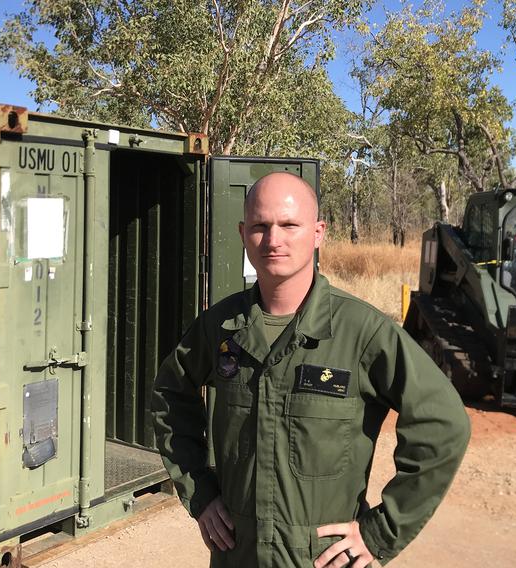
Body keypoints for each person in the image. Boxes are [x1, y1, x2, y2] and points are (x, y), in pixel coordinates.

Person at [152, 172, 470, 567]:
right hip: (238, 556)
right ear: (242, 232)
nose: (273, 240)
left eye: (289, 225)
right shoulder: (220, 326)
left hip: (321, 560)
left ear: (318, 232)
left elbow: (444, 423)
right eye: (260, 226)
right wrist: (200, 493)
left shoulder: (362, 332)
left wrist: (381, 531)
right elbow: (170, 397)